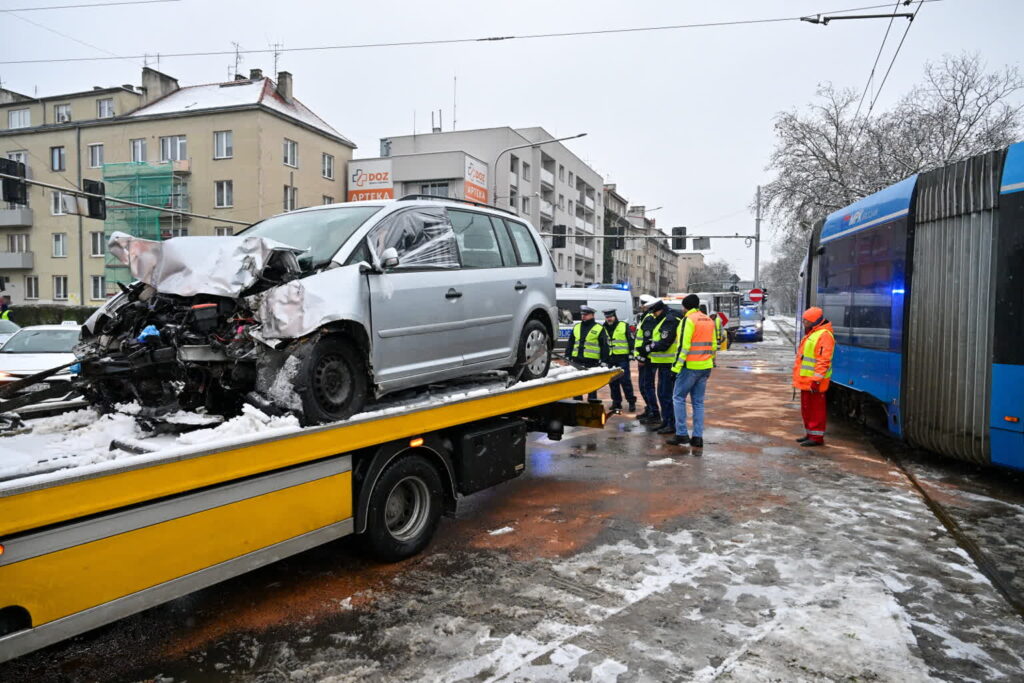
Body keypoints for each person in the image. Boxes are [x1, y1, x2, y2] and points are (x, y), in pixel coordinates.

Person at [667, 294, 717, 449]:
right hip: (705, 367)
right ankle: (697, 437)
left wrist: (675, 368)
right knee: (698, 402)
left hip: (689, 367)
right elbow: (714, 345)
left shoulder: (687, 320)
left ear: (685, 307)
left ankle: (681, 434)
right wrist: (710, 362)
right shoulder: (708, 320)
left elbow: (683, 346)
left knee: (678, 398)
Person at [792, 306, 835, 447]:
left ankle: (816, 437)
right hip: (807, 381)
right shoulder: (813, 333)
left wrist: (816, 380)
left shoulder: (824, 335)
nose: (804, 322)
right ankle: (810, 433)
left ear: (815, 321)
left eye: (806, 321)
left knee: (816, 410)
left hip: (815, 382)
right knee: (807, 409)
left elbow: (823, 361)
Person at [640, 299, 679, 434]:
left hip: (669, 363)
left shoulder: (669, 319)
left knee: (666, 395)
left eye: (655, 312)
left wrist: (648, 348)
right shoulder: (664, 319)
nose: (654, 315)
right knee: (662, 394)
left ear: (660, 310)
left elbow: (664, 343)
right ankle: (666, 421)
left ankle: (671, 424)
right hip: (662, 363)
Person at [565, 305, 609, 400]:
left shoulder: (599, 328)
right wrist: (567, 356)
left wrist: (604, 361)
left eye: (586, 314)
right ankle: (577, 403)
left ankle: (592, 404)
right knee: (576, 384)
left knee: (591, 385)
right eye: (582, 314)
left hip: (592, 361)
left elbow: (604, 346)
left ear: (592, 315)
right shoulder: (577, 327)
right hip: (576, 360)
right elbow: (570, 343)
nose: (583, 316)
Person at [602, 308, 636, 413]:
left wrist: (631, 353)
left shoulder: (623, 325)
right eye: (607, 317)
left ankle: (631, 402)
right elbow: (602, 344)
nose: (609, 319)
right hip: (610, 359)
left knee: (625, 381)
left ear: (615, 316)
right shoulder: (603, 328)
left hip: (622, 358)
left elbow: (631, 340)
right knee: (613, 382)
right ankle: (616, 403)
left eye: (610, 317)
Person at [634, 294, 660, 423]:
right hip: (646, 357)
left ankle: (653, 412)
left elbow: (646, 340)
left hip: (647, 359)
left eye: (642, 304)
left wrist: (642, 358)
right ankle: (649, 409)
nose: (640, 306)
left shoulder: (649, 318)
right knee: (645, 385)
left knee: (646, 386)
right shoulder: (646, 317)